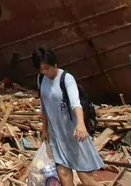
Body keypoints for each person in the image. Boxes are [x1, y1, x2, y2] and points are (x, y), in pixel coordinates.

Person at [32, 47, 105, 186]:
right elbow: (44, 106)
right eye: (41, 69)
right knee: (64, 175)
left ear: (55, 64)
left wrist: (81, 124)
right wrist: (44, 129)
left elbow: (75, 103)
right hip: (56, 135)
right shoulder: (41, 79)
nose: (44, 72)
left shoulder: (66, 78)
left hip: (73, 133)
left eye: (47, 68)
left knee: (86, 178)